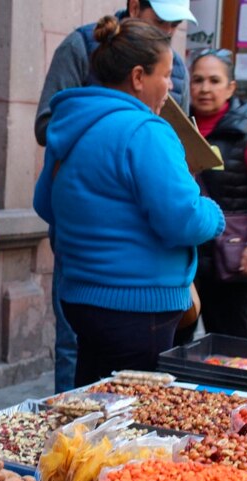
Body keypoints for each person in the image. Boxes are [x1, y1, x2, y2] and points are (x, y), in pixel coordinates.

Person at [34, 16, 225, 387]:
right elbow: (182, 218)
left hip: (81, 299)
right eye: (166, 76)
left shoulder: (71, 124)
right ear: (138, 77)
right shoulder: (146, 131)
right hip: (138, 306)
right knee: (134, 425)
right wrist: (214, 215)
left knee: (92, 407)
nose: (170, 88)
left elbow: (46, 204)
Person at [173, 49, 247, 345]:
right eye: (197, 80)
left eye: (214, 80)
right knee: (175, 346)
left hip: (231, 262)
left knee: (231, 348)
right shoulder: (173, 128)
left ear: (230, 87)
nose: (204, 88)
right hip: (182, 259)